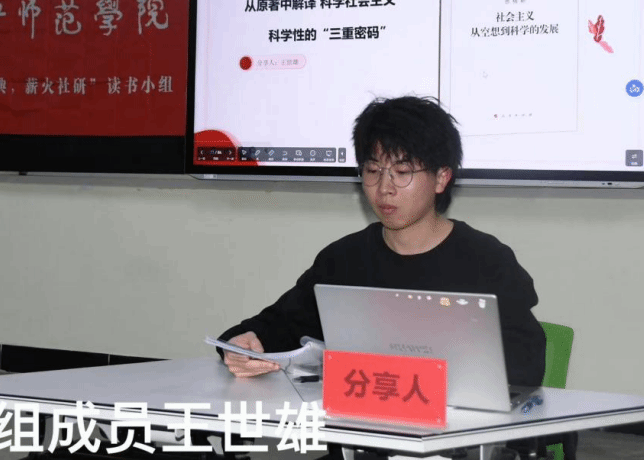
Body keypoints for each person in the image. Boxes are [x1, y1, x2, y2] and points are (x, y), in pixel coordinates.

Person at [217, 95, 546, 387]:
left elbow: (526, 366)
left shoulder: (487, 261)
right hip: (359, 428)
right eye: (373, 171)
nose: (384, 188)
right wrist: (241, 346)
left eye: (402, 172)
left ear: (441, 178)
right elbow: (274, 326)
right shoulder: (343, 260)